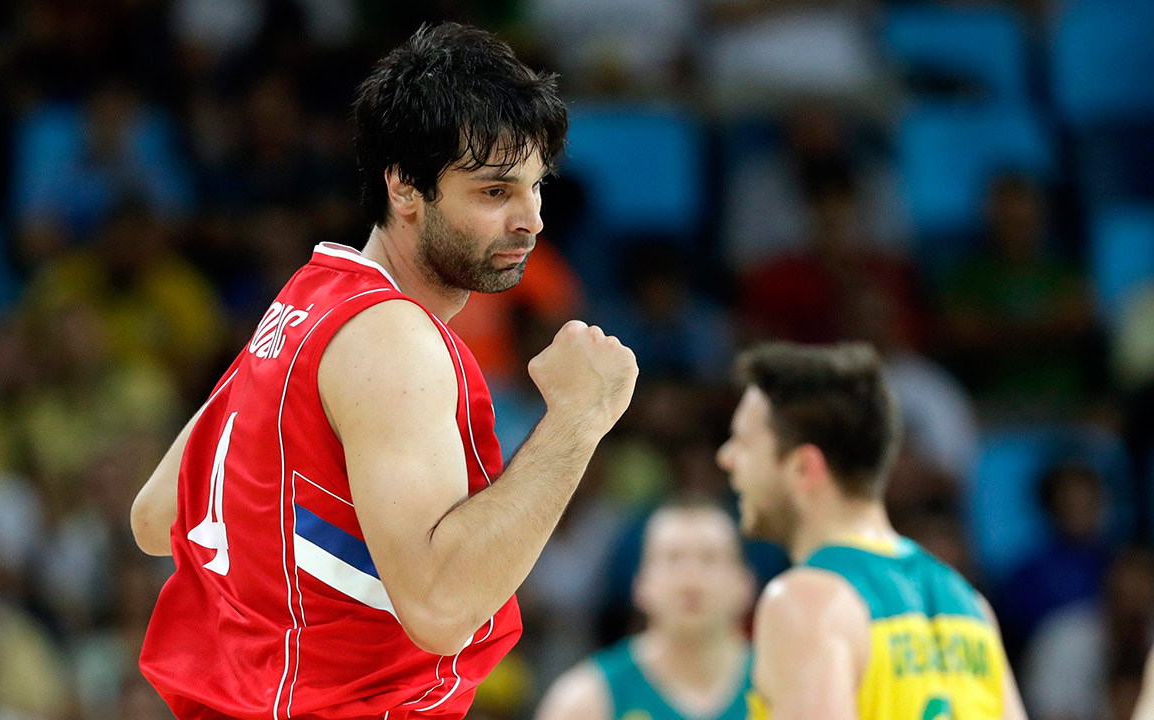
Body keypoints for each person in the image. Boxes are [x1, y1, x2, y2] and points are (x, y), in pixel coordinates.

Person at [129, 23, 639, 720]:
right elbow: (439, 606)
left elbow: (158, 517)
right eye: (494, 192)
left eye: (534, 187)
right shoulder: (393, 340)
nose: (531, 220)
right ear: (405, 187)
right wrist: (578, 421)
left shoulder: (306, 300)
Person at [714, 343, 1027, 720]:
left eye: (744, 443)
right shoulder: (969, 605)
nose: (726, 458)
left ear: (802, 467)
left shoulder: (805, 602)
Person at [534, 496, 755, 720]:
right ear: (640, 585)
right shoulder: (583, 702)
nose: (691, 579)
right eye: (673, 559)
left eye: (709, 559)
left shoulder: (780, 683)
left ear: (745, 585)